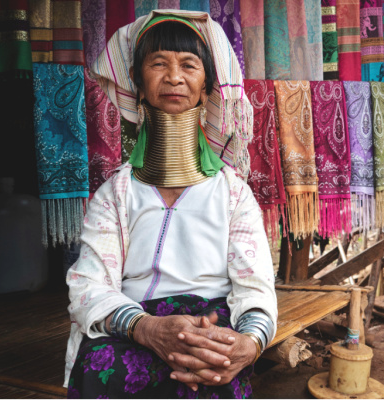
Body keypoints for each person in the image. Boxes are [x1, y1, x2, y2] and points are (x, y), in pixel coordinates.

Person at [64, 11, 277, 399]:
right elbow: (87, 286)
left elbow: (255, 288)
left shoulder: (232, 193)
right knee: (100, 362)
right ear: (139, 84)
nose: (174, 77)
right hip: (134, 326)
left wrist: (248, 345)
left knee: (215, 373)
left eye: (189, 65)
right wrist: (146, 328)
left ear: (207, 85)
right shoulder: (116, 193)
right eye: (158, 63)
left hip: (209, 328)